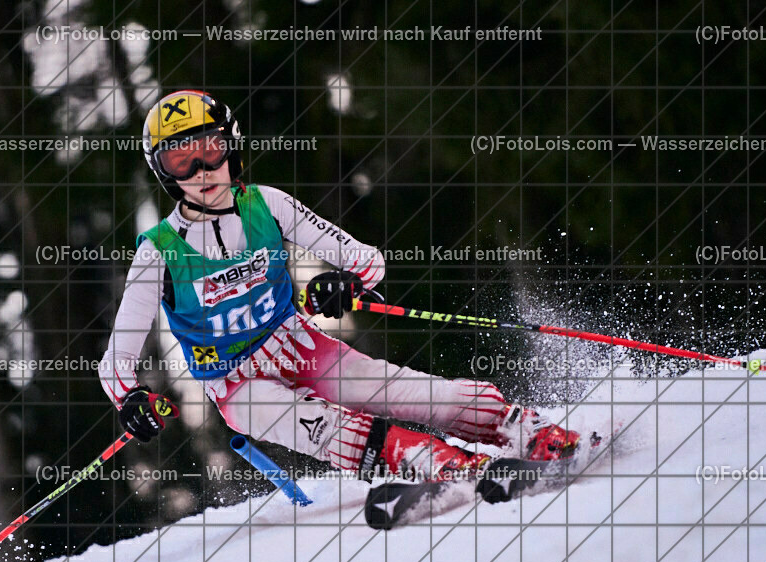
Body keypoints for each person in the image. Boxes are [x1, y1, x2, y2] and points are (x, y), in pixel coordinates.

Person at [99, 90, 578, 483]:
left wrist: (345, 282)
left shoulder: (268, 206)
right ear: (164, 171)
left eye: (211, 148)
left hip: (301, 345)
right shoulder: (157, 253)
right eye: (182, 159)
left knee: (406, 393)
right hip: (235, 382)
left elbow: (368, 261)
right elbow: (115, 361)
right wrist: (131, 399)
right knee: (313, 424)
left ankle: (522, 429)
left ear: (232, 146)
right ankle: (425, 461)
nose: (202, 170)